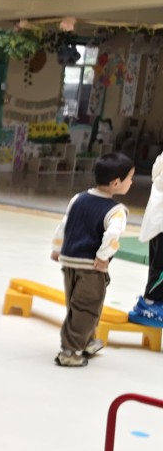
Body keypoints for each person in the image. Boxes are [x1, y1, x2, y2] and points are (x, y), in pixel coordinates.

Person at [51, 152, 135, 367]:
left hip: (69, 261)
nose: (132, 182)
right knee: (87, 308)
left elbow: (65, 224)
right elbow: (112, 235)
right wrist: (102, 257)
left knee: (76, 304)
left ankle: (87, 341)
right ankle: (69, 352)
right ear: (116, 183)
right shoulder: (116, 211)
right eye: (130, 178)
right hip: (91, 267)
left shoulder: (78, 199)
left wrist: (57, 248)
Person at [129, 151, 163, 325]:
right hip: (160, 224)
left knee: (158, 266)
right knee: (160, 269)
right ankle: (149, 304)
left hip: (158, 222)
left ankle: (153, 302)